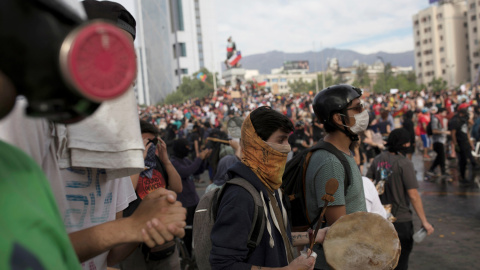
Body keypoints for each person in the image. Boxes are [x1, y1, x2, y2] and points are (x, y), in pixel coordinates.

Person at [0, 1, 187, 269]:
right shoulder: (25, 119)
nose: (119, 74)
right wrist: (128, 227)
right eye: (102, 53)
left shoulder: (118, 134)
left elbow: (110, 255)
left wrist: (149, 222)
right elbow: (22, 250)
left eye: (126, 61)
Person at [210, 106, 327, 269]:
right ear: (257, 143)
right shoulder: (240, 196)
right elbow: (223, 264)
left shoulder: (272, 187)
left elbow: (275, 238)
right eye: (280, 140)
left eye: (288, 139)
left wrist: (315, 236)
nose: (287, 147)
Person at [305, 84, 368, 270]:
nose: (363, 112)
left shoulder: (341, 152)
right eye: (357, 108)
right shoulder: (330, 162)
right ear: (338, 118)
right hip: (337, 263)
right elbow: (340, 230)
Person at [367, 128, 434, 270]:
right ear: (404, 144)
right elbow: (414, 196)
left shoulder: (377, 160)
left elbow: (367, 184)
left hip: (380, 221)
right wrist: (425, 221)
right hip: (401, 221)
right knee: (400, 263)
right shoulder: (404, 163)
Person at [121, 120, 183, 270]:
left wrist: (166, 160)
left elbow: (177, 188)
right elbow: (127, 191)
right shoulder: (125, 165)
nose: (149, 146)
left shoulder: (157, 162)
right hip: (135, 245)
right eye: (145, 142)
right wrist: (138, 160)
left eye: (152, 142)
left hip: (164, 240)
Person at [170, 139, 211, 256]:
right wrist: (199, 158)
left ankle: (194, 254)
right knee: (186, 232)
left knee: (196, 229)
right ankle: (185, 256)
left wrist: (204, 159)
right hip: (184, 203)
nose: (188, 149)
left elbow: (197, 170)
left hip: (193, 201)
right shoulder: (173, 163)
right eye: (186, 147)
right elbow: (187, 171)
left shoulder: (185, 160)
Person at [449, 108, 476, 183]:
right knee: (462, 160)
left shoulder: (464, 121)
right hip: (460, 142)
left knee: (466, 159)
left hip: (465, 142)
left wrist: (470, 142)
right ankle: (462, 177)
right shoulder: (455, 121)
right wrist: (455, 144)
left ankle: (465, 175)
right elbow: (453, 134)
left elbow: (466, 132)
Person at [426, 108, 450, 180]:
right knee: (441, 157)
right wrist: (445, 132)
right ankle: (443, 172)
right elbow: (434, 130)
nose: (445, 114)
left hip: (442, 140)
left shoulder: (443, 119)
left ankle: (432, 169)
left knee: (440, 157)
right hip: (437, 141)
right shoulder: (435, 119)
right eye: (445, 112)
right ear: (440, 112)